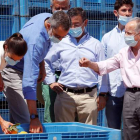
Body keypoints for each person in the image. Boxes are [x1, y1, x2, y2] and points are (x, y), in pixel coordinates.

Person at [2, 11, 71, 133]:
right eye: (58, 36)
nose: (60, 40)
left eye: (63, 37)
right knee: (26, 119)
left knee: (17, 123)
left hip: (24, 66)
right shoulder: (35, 42)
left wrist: (42, 65)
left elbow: (39, 53)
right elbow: (29, 84)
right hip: (14, 70)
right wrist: (34, 116)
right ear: (49, 26)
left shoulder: (45, 16)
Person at [79, 17, 140, 140]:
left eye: (129, 33)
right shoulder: (124, 52)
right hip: (130, 96)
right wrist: (90, 64)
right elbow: (106, 65)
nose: (125, 36)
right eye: (125, 32)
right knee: (130, 131)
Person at [45, 8, 108, 125]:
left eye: (76, 25)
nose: (73, 28)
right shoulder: (60, 42)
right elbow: (46, 61)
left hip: (89, 97)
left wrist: (103, 94)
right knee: (64, 133)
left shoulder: (96, 45)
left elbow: (103, 69)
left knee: (88, 134)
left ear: (85, 22)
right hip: (65, 95)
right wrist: (51, 81)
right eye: (70, 25)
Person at [37, 0, 71, 123]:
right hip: (49, 74)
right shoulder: (46, 27)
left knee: (69, 113)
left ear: (70, 7)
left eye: (64, 8)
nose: (61, 11)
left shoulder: (74, 27)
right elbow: (43, 58)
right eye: (57, 8)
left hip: (68, 75)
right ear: (51, 7)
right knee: (50, 110)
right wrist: (50, 81)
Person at [101, 0, 133, 129]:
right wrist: (103, 92)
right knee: (113, 129)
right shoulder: (107, 38)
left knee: (132, 130)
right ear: (116, 13)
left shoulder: (137, 36)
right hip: (112, 93)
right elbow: (103, 66)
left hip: (132, 93)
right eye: (123, 10)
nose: (127, 13)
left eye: (129, 10)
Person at [0, 33, 27, 134]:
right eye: (12, 59)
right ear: (6, 48)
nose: (13, 62)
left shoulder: (6, 50)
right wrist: (2, 122)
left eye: (17, 60)